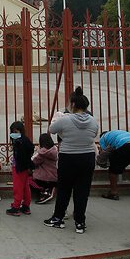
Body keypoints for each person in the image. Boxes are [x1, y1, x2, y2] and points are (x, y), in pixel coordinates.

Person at [44, 86, 99, 233]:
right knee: (82, 191)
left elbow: (51, 129)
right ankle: (80, 222)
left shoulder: (65, 119)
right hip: (87, 158)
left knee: (64, 189)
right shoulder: (93, 121)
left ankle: (58, 218)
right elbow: (93, 134)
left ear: (73, 104)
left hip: (68, 157)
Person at [98, 129, 130, 200]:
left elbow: (104, 153)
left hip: (125, 145)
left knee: (113, 170)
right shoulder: (117, 132)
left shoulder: (103, 138)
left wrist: (102, 163)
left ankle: (113, 193)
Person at [6, 121, 34, 216]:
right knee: (25, 186)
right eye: (13, 131)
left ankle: (16, 207)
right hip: (24, 167)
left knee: (18, 187)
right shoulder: (25, 140)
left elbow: (22, 155)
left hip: (19, 167)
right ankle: (26, 206)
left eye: (16, 131)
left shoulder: (20, 142)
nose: (14, 133)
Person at [31, 133, 58, 204]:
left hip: (43, 178)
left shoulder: (43, 153)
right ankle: (50, 189)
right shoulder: (54, 150)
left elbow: (34, 162)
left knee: (29, 180)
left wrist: (37, 151)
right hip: (54, 176)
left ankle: (45, 192)